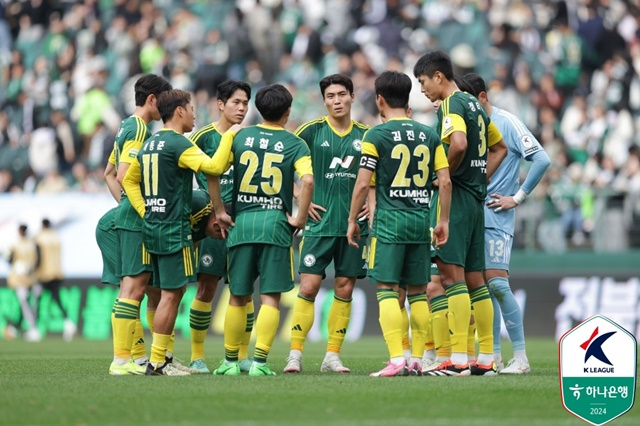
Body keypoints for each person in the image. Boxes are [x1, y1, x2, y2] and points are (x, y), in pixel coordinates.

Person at [347, 70, 452, 377]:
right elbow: (444, 182)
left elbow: (362, 185)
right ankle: (417, 359)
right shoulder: (429, 135)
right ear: (407, 100)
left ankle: (397, 359)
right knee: (419, 293)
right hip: (421, 222)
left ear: (379, 99)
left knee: (387, 291)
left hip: (389, 223)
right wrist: (442, 220)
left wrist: (353, 219)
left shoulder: (375, 136)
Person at [123, 88, 233, 376]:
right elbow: (215, 167)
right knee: (172, 295)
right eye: (192, 108)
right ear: (180, 111)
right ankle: (158, 362)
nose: (195, 115)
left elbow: (129, 179)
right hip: (174, 229)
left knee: (160, 294)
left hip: (153, 227)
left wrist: (146, 209)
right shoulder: (178, 143)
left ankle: (163, 358)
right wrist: (230, 136)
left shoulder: (150, 143)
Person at [413, 50, 508, 376]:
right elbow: (500, 149)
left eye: (423, 82)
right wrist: (479, 178)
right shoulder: (475, 106)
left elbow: (458, 144)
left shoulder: (453, 103)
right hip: (475, 201)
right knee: (475, 281)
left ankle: (457, 359)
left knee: (451, 278)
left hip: (456, 203)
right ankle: (485, 358)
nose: (423, 89)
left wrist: (444, 175)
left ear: (438, 76)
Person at [212, 84, 313, 377]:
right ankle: (259, 362)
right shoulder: (295, 143)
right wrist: (300, 218)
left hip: (241, 225)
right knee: (270, 298)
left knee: (237, 297)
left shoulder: (239, 135)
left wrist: (220, 210)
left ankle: (230, 362)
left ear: (258, 108)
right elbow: (306, 182)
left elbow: (214, 171)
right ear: (287, 111)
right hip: (276, 226)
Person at [462, 73, 550, 374]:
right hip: (472, 214)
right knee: (484, 288)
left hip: (497, 215)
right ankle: (494, 356)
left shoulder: (507, 122)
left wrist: (518, 197)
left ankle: (521, 358)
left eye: (469, 101)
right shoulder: (469, 127)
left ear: (482, 97)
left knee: (498, 284)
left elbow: (542, 159)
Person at [284, 74, 370, 374]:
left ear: (352, 97)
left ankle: (332, 355)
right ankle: (295, 353)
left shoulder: (367, 135)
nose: (337, 100)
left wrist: (372, 203)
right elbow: (282, 162)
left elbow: (376, 177)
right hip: (318, 226)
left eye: (342, 94)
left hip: (354, 226)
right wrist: (299, 197)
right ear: (324, 101)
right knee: (308, 287)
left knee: (345, 289)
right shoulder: (310, 131)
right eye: (331, 96)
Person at [107, 74, 173, 375]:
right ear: (152, 99)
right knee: (133, 289)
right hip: (137, 219)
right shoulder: (138, 128)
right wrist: (143, 210)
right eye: (165, 100)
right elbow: (122, 174)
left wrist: (123, 205)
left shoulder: (125, 125)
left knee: (134, 288)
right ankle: (121, 360)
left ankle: (131, 358)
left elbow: (107, 173)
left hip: (127, 214)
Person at [187, 80, 252, 374]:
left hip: (243, 223)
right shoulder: (201, 137)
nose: (242, 108)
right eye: (236, 102)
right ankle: (197, 356)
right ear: (221, 104)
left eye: (245, 103)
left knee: (244, 290)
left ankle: (241, 355)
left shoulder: (249, 139)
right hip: (212, 225)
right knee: (206, 288)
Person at [34, 218, 76, 342]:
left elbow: (38, 257)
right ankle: (68, 322)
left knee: (37, 299)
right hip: (57, 273)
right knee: (56, 299)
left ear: (42, 225)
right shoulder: (56, 237)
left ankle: (35, 329)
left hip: (44, 274)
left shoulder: (39, 238)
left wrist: (34, 272)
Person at [6, 224, 41, 342]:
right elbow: (38, 260)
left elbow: (10, 259)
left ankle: (32, 329)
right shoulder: (31, 243)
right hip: (28, 277)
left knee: (25, 302)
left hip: (22, 278)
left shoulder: (17, 244)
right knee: (26, 302)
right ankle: (17, 328)